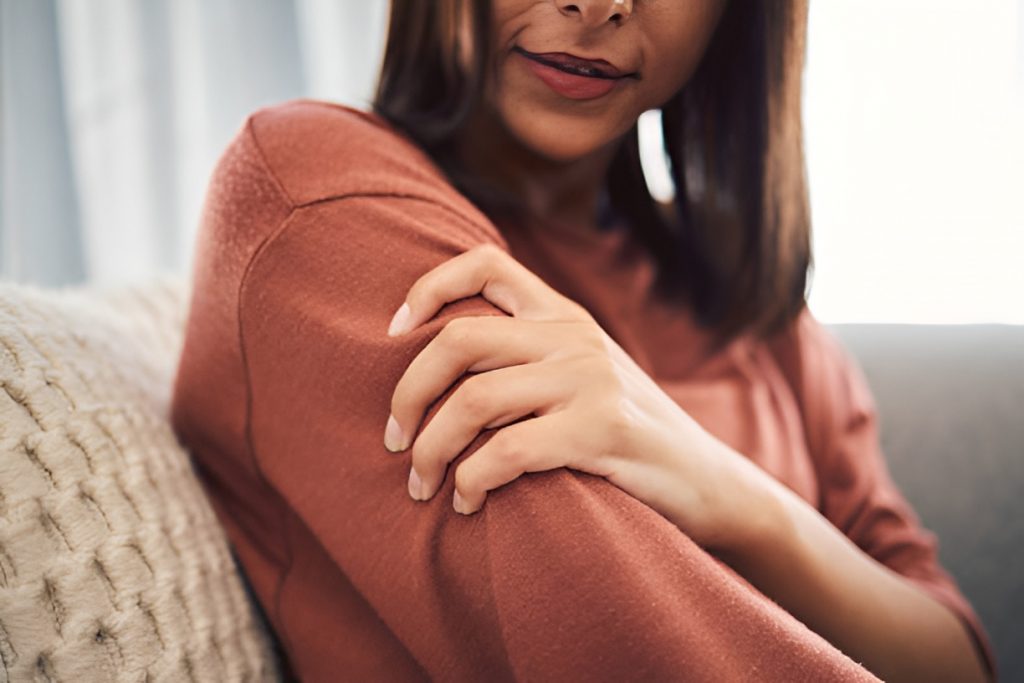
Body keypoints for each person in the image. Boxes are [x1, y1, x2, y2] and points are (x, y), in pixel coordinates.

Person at [171, 1, 997, 681]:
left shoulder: (753, 305)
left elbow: (954, 654)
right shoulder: (318, 199)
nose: (599, 5)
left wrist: (731, 492)